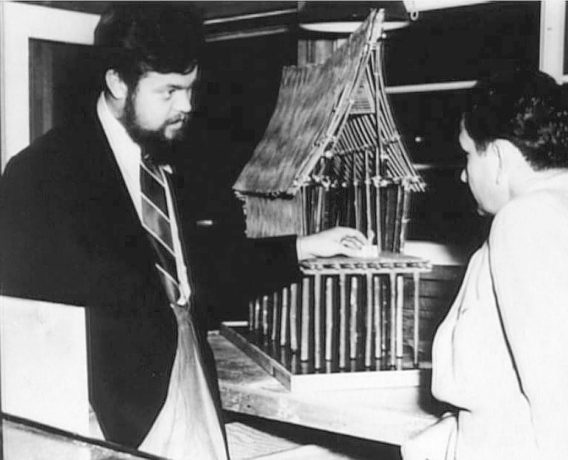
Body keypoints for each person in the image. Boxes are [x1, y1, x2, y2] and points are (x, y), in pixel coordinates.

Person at [0, 3, 370, 459]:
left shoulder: (166, 156)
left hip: (190, 386)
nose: (186, 106)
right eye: (170, 91)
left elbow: (197, 273)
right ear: (117, 82)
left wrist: (306, 247)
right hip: (110, 424)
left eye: (190, 88)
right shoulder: (42, 174)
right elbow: (28, 327)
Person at [401, 69, 568, 460]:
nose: (464, 174)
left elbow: (556, 392)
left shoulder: (524, 219)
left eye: (468, 154)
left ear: (498, 156)